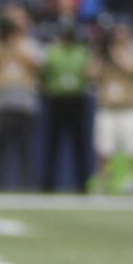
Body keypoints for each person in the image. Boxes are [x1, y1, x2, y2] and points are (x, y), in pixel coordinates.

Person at [0, 11, 42, 191]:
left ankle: (27, 186)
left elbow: (36, 63)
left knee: (25, 148)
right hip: (1, 102)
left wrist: (16, 43)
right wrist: (1, 43)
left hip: (24, 103)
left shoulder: (27, 43)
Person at [91, 19, 133, 186]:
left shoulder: (131, 51)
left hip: (128, 108)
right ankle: (104, 183)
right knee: (103, 149)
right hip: (108, 108)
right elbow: (91, 74)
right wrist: (99, 52)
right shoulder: (102, 55)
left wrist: (117, 54)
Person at [41, 19, 94, 192]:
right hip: (57, 99)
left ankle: (82, 185)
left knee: (79, 145)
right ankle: (48, 185)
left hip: (76, 99)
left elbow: (89, 74)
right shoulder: (53, 52)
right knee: (52, 144)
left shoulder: (82, 52)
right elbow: (43, 73)